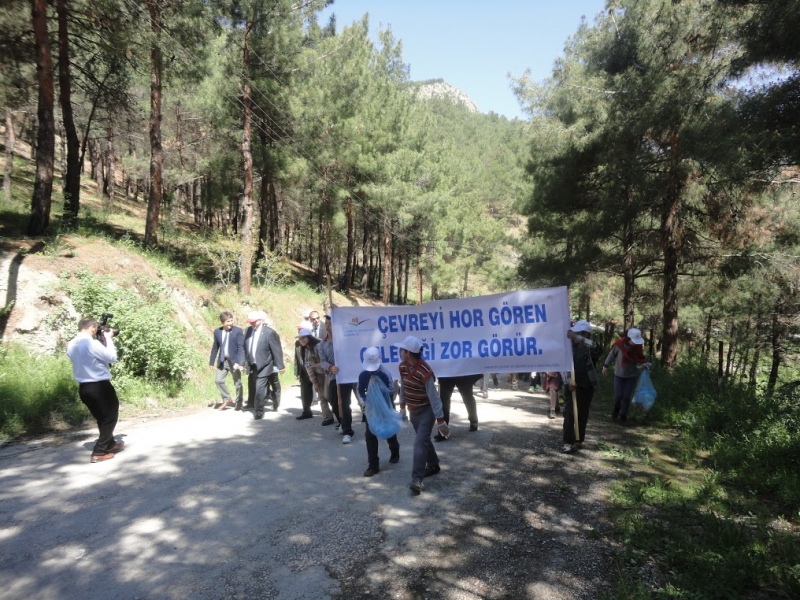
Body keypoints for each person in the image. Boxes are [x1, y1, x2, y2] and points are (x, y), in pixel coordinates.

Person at [395, 335, 450, 496]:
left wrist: (440, 421)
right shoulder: (403, 367)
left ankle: (417, 480)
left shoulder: (425, 372)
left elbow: (434, 398)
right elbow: (403, 387)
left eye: (402, 350)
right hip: (414, 412)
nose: (400, 352)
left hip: (426, 412)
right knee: (423, 439)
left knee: (419, 443)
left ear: (409, 353)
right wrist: (403, 406)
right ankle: (433, 464)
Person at [66, 316, 124, 463]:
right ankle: (99, 451)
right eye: (96, 329)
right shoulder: (89, 343)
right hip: (99, 386)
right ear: (92, 328)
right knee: (110, 417)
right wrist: (108, 338)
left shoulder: (71, 344)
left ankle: (109, 443)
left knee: (102, 418)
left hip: (84, 387)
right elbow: (111, 357)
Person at [357, 346, 400, 477]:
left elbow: (392, 391)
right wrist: (364, 403)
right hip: (371, 410)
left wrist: (385, 404)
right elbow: (360, 391)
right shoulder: (363, 375)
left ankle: (395, 451)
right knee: (370, 436)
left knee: (388, 431)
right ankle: (373, 465)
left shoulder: (385, 374)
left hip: (385, 408)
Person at [562, 320, 600, 453]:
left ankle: (579, 440)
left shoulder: (591, 347)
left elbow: (594, 346)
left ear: (585, 334)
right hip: (571, 385)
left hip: (586, 386)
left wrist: (576, 337)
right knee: (569, 414)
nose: (574, 335)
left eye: (578, 333)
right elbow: (563, 365)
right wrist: (568, 381)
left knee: (582, 414)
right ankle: (568, 441)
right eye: (574, 332)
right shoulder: (568, 347)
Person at [317, 323, 356, 443]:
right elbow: (322, 361)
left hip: (346, 377)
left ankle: (348, 432)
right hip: (333, 377)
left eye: (331, 323)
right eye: (327, 324)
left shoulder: (344, 340)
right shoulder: (322, 344)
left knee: (344, 404)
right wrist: (330, 368)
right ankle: (342, 423)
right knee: (334, 403)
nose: (328, 326)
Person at [244, 311, 286, 420]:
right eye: (250, 322)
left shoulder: (269, 333)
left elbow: (276, 350)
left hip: (267, 364)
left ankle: (259, 411)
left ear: (261, 321)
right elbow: (246, 347)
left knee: (262, 387)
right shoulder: (248, 331)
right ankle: (270, 397)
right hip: (254, 365)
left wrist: (280, 365)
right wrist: (242, 362)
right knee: (261, 387)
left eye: (254, 322)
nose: (251, 324)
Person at [603, 327, 650, 424]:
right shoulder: (619, 345)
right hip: (619, 375)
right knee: (618, 395)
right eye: (634, 341)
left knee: (626, 396)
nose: (635, 343)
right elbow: (611, 355)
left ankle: (623, 416)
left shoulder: (637, 347)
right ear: (628, 339)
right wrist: (605, 365)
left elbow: (640, 359)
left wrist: (645, 364)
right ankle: (616, 410)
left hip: (631, 375)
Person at [208, 311, 245, 411]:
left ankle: (239, 402)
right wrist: (211, 361)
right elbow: (215, 347)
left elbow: (241, 348)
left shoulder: (238, 331)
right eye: (228, 321)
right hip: (222, 361)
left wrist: (241, 363)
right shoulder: (217, 332)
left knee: (237, 383)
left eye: (231, 321)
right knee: (218, 380)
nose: (230, 323)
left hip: (235, 362)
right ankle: (227, 399)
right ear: (222, 322)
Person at [434, 374, 482, 440]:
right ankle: (443, 430)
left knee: (467, 398)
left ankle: (474, 421)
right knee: (444, 400)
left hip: (462, 373)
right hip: (448, 373)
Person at [294, 327, 320, 420]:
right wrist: (296, 370)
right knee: (305, 392)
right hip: (305, 370)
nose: (301, 340)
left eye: (304, 337)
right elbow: (296, 358)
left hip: (318, 371)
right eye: (300, 338)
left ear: (309, 337)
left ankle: (332, 413)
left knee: (325, 394)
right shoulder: (298, 344)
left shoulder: (318, 345)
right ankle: (306, 411)